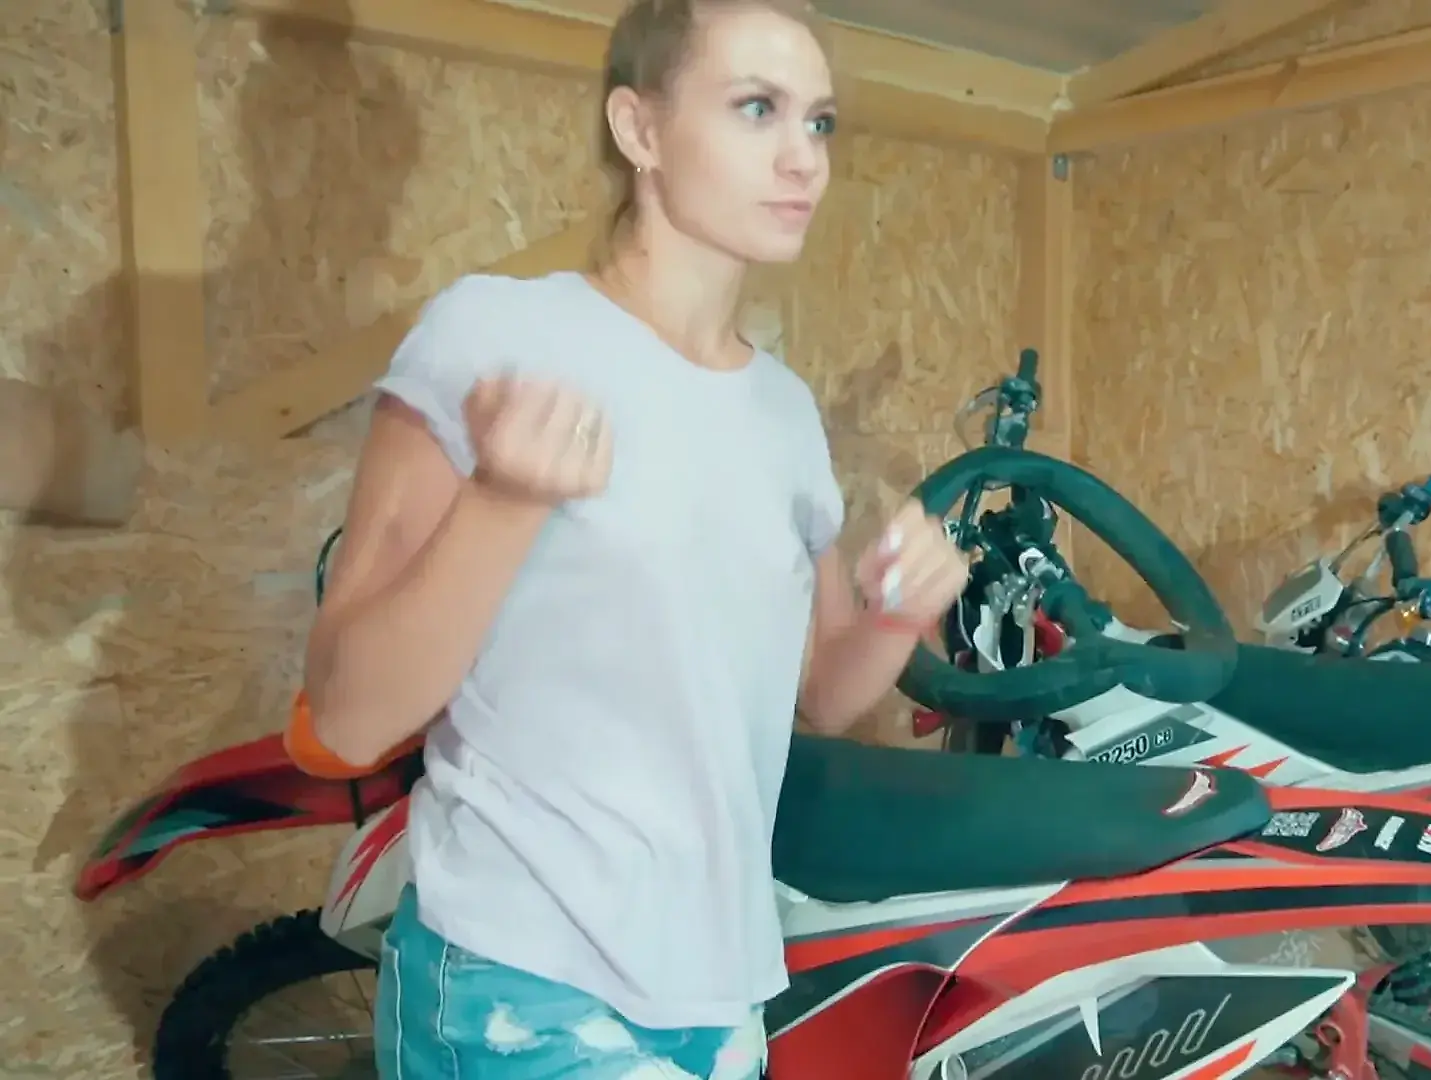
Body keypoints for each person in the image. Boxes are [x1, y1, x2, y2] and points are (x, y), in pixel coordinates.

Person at [286, 0, 970, 1075]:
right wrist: (502, 502)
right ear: (639, 129)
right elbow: (348, 710)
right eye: (757, 108)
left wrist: (894, 614)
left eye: (820, 121)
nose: (804, 157)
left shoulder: (784, 413)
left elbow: (822, 696)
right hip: (524, 976)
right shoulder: (494, 332)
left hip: (721, 989)